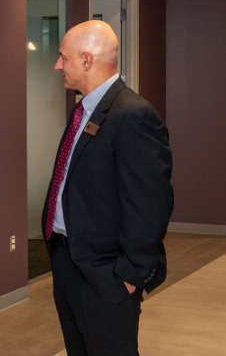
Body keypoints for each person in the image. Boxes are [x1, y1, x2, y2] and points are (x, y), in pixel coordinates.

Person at [42, 20, 173, 355]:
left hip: (106, 275)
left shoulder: (133, 114)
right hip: (69, 260)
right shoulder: (82, 110)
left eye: (63, 57)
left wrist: (129, 276)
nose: (58, 65)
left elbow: (150, 205)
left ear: (86, 60)